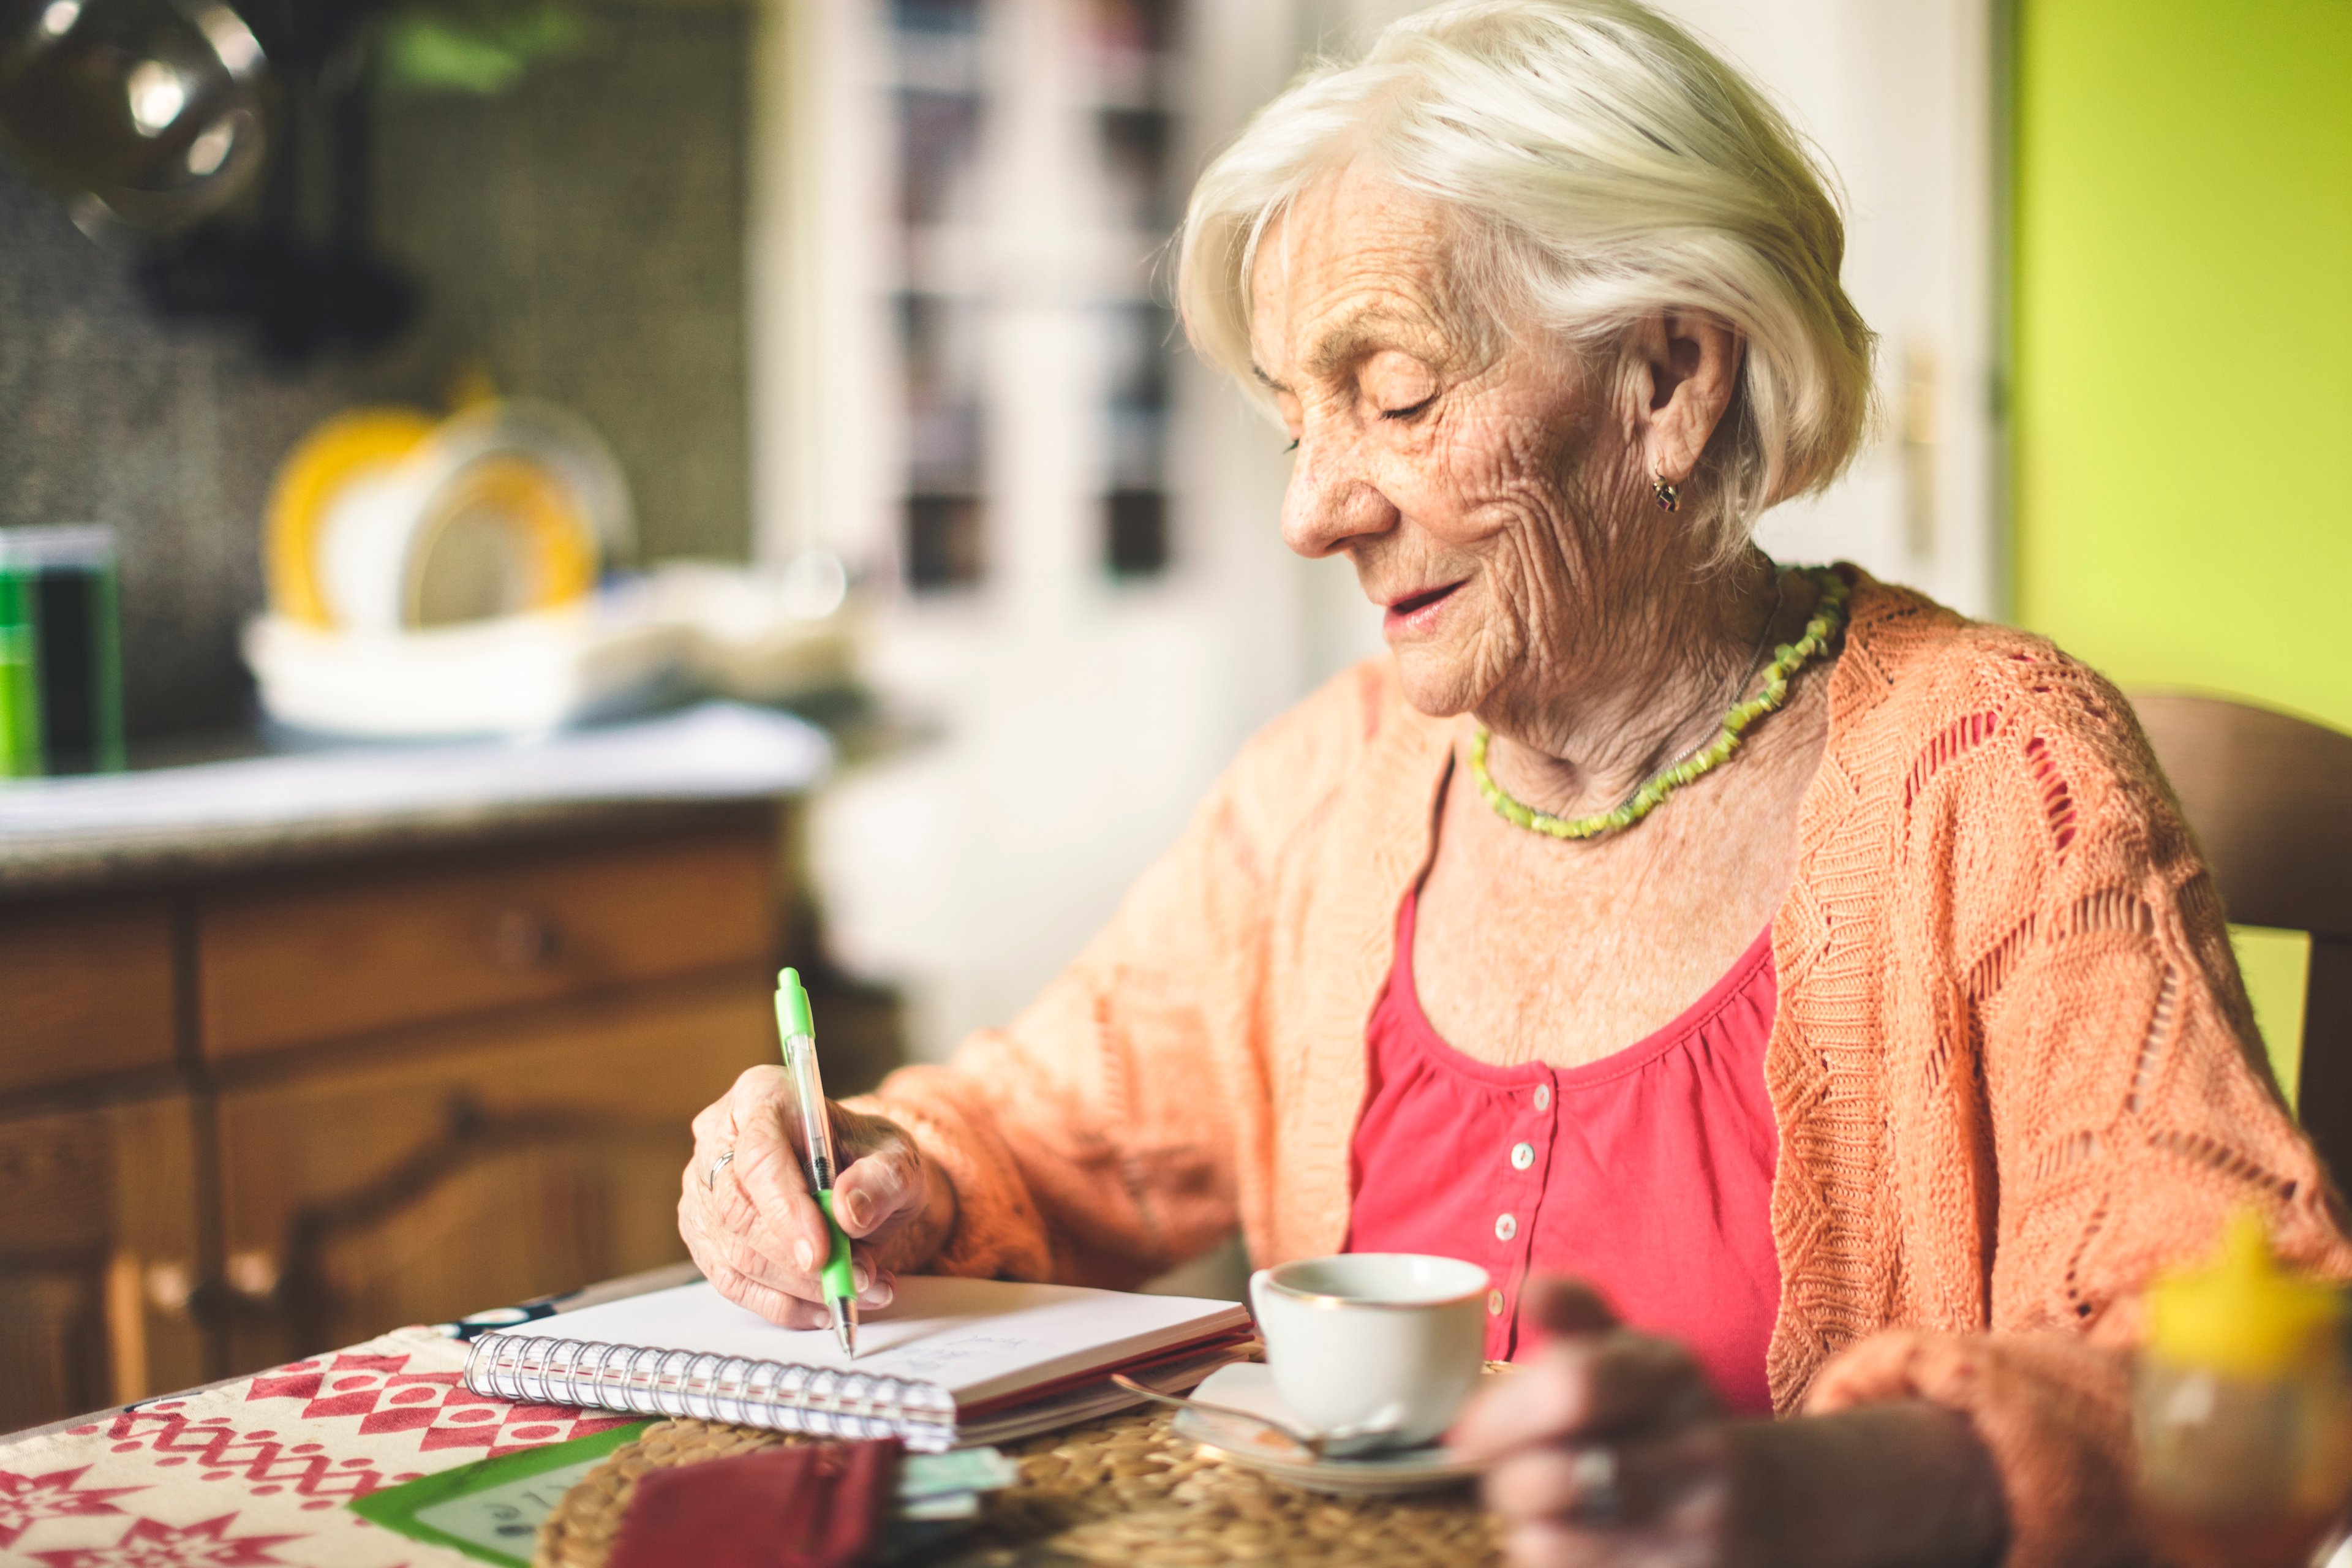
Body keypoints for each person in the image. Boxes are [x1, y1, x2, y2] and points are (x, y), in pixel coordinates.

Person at [680, 2, 2350, 1562]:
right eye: (1293, 426)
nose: (1314, 511)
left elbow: (2267, 1378)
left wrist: (1811, 1490)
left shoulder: (1995, 780)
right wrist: (870, 1166)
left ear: (1670, 381)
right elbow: (1033, 1136)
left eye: (1396, 398)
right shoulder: (1329, 790)